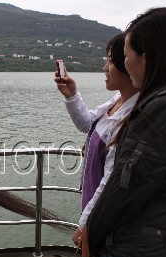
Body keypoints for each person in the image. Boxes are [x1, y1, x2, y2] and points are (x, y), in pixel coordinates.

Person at [86, 7, 166, 257]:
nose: (125, 63)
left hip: (136, 252)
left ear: (146, 57)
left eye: (126, 55)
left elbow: (126, 187)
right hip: (165, 245)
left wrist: (91, 232)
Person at [54, 33, 139, 246]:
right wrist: (71, 94)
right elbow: (87, 123)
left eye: (110, 60)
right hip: (94, 205)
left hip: (104, 215)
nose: (104, 67)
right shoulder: (118, 101)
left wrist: (85, 224)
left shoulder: (132, 116)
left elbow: (110, 179)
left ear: (128, 64)